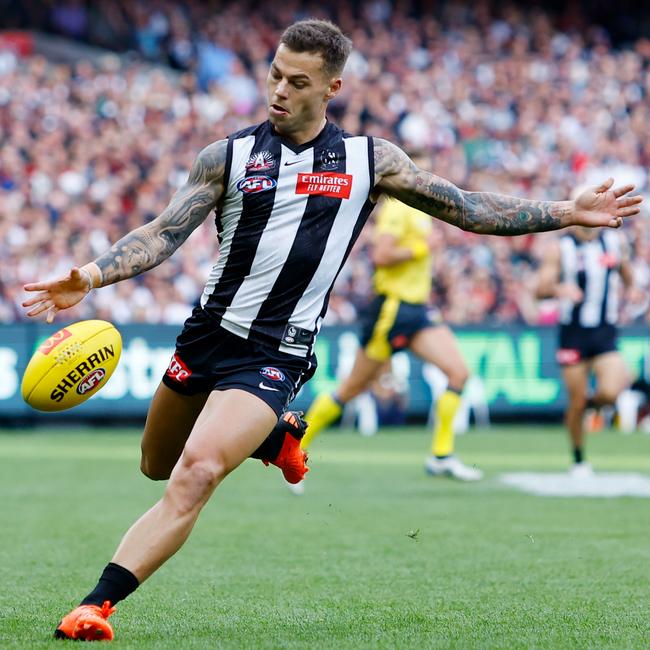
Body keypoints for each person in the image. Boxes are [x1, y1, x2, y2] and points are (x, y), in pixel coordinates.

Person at [21, 19, 642, 641]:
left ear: (331, 88)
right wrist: (93, 275)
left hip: (274, 352)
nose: (278, 91)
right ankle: (274, 438)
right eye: (273, 75)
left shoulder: (370, 161)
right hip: (207, 336)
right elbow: (163, 231)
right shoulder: (228, 156)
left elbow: (466, 207)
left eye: (297, 82)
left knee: (197, 474)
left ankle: (94, 606)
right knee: (157, 466)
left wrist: (566, 211)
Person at [300, 159, 482, 495]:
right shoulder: (397, 209)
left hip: (417, 310)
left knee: (458, 373)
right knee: (352, 388)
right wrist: (419, 249)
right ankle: (295, 447)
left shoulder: (421, 211)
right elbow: (381, 256)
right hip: (393, 309)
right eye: (422, 172)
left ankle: (441, 454)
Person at [536, 225, 641, 477]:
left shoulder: (615, 241)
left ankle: (589, 406)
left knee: (612, 391)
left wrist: (632, 288)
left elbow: (626, 272)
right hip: (573, 332)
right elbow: (540, 289)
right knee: (576, 399)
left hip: (605, 330)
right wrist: (560, 289)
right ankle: (579, 457)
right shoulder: (560, 247)